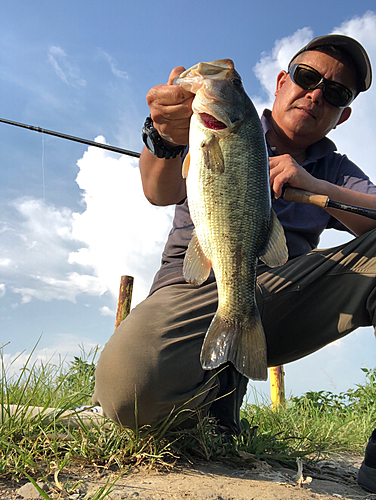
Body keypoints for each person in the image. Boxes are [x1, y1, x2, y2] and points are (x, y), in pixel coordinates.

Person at [92, 34, 376, 492]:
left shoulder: (335, 169)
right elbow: (158, 191)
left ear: (343, 115)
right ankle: (210, 393)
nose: (316, 93)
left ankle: (224, 377)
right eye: (306, 77)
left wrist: (314, 185)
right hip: (195, 286)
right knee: (127, 393)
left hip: (284, 297)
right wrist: (163, 135)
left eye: (336, 92)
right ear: (283, 82)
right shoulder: (208, 126)